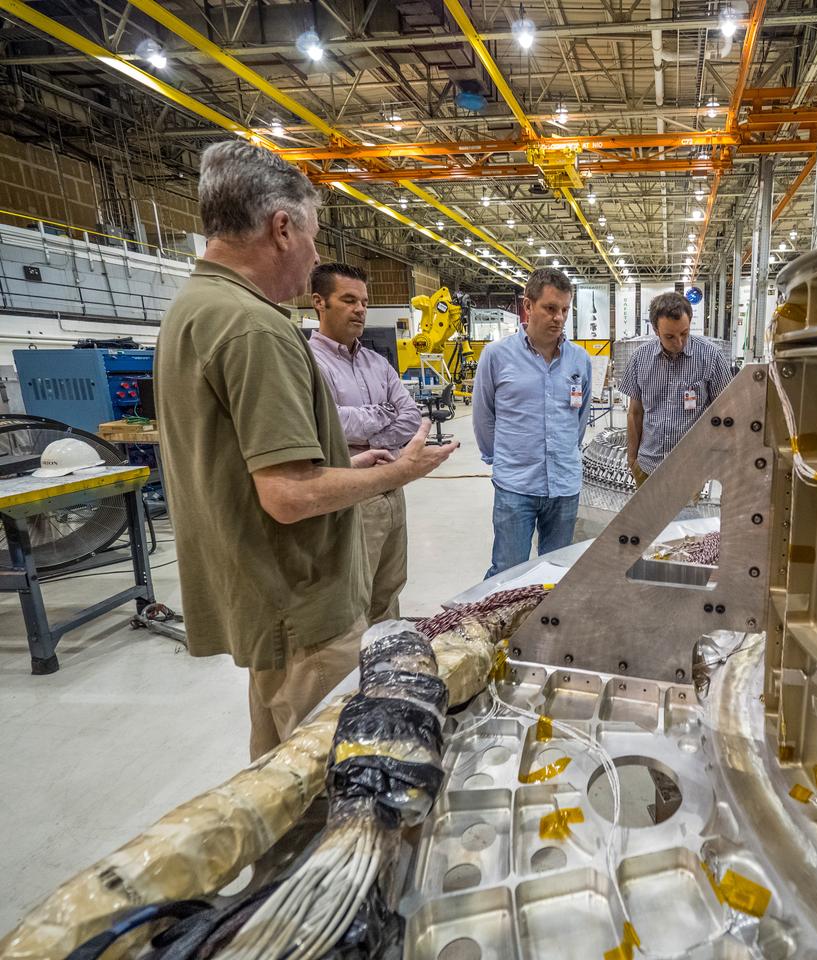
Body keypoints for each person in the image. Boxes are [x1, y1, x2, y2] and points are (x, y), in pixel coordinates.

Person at [155, 141, 458, 760]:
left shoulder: (193, 309)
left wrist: (349, 463)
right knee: (334, 782)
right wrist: (399, 470)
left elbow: (251, 469)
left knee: (277, 775)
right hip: (304, 610)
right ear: (281, 227)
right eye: (315, 239)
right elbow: (288, 496)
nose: (317, 257)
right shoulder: (254, 326)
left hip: (265, 602)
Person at [308, 262, 420, 624]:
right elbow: (328, 425)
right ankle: (353, 675)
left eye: (365, 302)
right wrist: (381, 414)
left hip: (392, 485)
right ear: (319, 302)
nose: (360, 309)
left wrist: (369, 435)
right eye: (349, 299)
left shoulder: (378, 363)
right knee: (353, 597)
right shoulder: (309, 364)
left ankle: (386, 665)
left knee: (389, 590)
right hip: (350, 493)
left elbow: (410, 417)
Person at [472, 267, 592, 578]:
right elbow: (484, 416)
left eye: (565, 309)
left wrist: (566, 453)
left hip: (564, 486)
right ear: (528, 306)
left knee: (555, 572)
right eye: (550, 308)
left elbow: (580, 418)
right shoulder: (496, 356)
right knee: (507, 572)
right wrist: (501, 461)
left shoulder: (580, 360)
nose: (559, 318)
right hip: (516, 487)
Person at [619, 291, 732, 486]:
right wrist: (632, 459)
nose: (679, 343)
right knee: (648, 517)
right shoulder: (640, 358)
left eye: (684, 333)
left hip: (690, 470)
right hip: (647, 467)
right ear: (655, 330)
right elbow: (635, 413)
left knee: (688, 518)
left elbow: (726, 413)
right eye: (670, 336)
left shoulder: (711, 357)